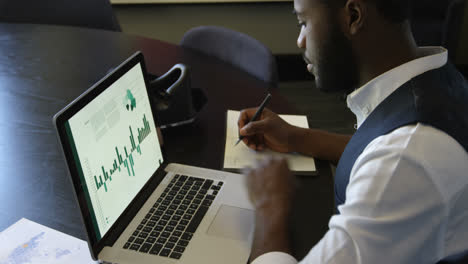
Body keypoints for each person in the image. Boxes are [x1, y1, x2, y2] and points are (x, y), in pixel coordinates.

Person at [238, 0, 468, 263]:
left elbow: (395, 159)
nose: (300, 41)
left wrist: (269, 207)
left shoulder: (404, 160)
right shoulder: (437, 81)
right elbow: (379, 147)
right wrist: (298, 137)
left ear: (353, 16)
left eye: (304, 23)